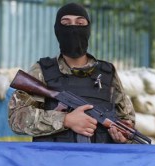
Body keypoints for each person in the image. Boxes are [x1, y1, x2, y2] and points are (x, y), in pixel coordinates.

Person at [8, 3, 135, 143]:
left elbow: (126, 120)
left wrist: (122, 138)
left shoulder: (107, 72)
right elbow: (16, 118)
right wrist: (65, 120)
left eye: (80, 23)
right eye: (66, 23)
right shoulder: (42, 70)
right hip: (53, 161)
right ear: (57, 30)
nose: (73, 28)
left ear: (88, 29)